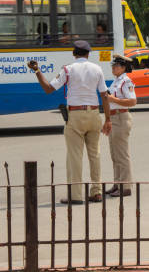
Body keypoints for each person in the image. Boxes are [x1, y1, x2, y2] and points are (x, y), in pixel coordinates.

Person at [28, 40, 112, 204]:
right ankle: (97, 192)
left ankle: (76, 195)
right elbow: (105, 95)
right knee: (95, 155)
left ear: (74, 54)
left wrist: (37, 70)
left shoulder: (68, 69)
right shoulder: (97, 69)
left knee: (75, 156)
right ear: (88, 54)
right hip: (94, 114)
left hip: (75, 115)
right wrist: (108, 119)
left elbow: (48, 88)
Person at [104, 55, 137, 197]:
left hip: (121, 117)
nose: (113, 68)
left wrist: (113, 99)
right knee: (114, 154)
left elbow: (132, 101)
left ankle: (126, 186)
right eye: (113, 66)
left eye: (116, 66)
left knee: (122, 154)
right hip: (113, 117)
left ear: (123, 68)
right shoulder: (116, 81)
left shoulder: (126, 81)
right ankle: (117, 184)